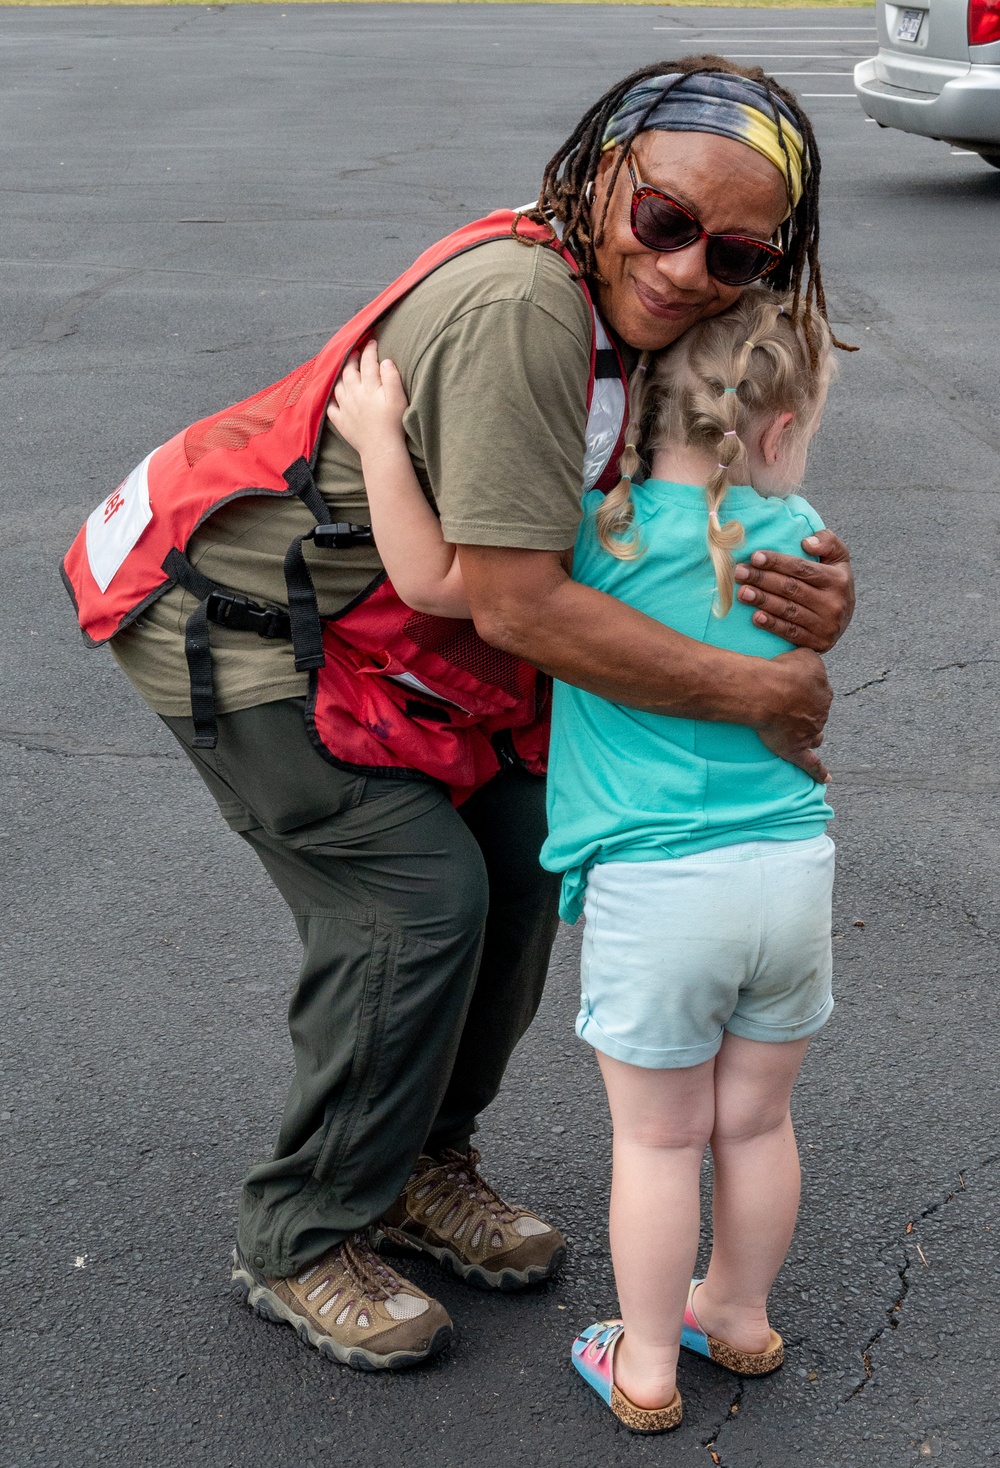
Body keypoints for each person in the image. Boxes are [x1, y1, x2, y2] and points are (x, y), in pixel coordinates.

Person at [63, 57, 855, 1373]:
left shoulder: (651, 327)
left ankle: (424, 1163)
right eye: (664, 221)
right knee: (415, 897)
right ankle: (304, 1230)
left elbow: (680, 524)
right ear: (607, 179)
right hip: (242, 618)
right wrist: (764, 692)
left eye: (734, 251)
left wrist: (808, 598)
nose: (684, 268)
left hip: (396, 636)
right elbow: (517, 608)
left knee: (526, 848)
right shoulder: (521, 309)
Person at [334, 286, 838, 1431]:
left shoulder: (591, 539)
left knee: (658, 1137)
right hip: (791, 872)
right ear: (773, 432)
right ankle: (741, 1317)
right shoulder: (796, 533)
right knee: (755, 1122)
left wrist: (377, 441)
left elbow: (433, 583)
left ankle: (647, 1363)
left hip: (658, 889)